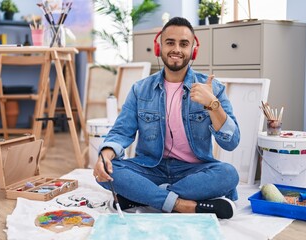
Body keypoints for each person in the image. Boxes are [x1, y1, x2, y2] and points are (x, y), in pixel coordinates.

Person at [93, 17, 240, 219]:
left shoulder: (212, 89)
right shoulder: (140, 89)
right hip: (150, 168)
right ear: (159, 47)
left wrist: (212, 105)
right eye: (170, 42)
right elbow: (121, 132)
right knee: (107, 170)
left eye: (184, 44)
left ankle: (142, 196)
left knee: (228, 174)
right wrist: (106, 155)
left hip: (193, 171)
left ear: (193, 50)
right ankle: (183, 205)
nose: (176, 49)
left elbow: (232, 143)